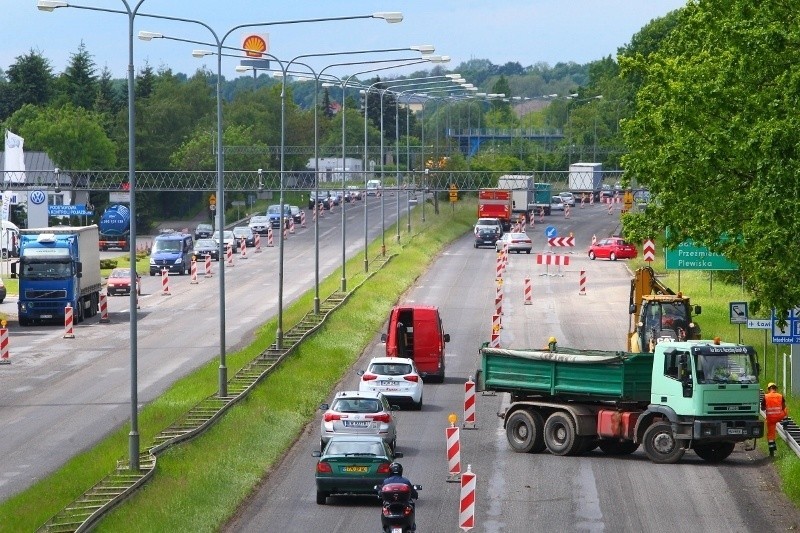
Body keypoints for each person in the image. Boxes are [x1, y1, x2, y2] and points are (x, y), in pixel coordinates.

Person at [762, 382, 788, 457]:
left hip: (771, 419)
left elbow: (762, 408)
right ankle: (785, 423)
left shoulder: (766, 396)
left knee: (771, 435)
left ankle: (772, 452)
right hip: (780, 416)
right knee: (786, 409)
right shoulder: (780, 396)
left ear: (768, 389)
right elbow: (783, 407)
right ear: (775, 388)